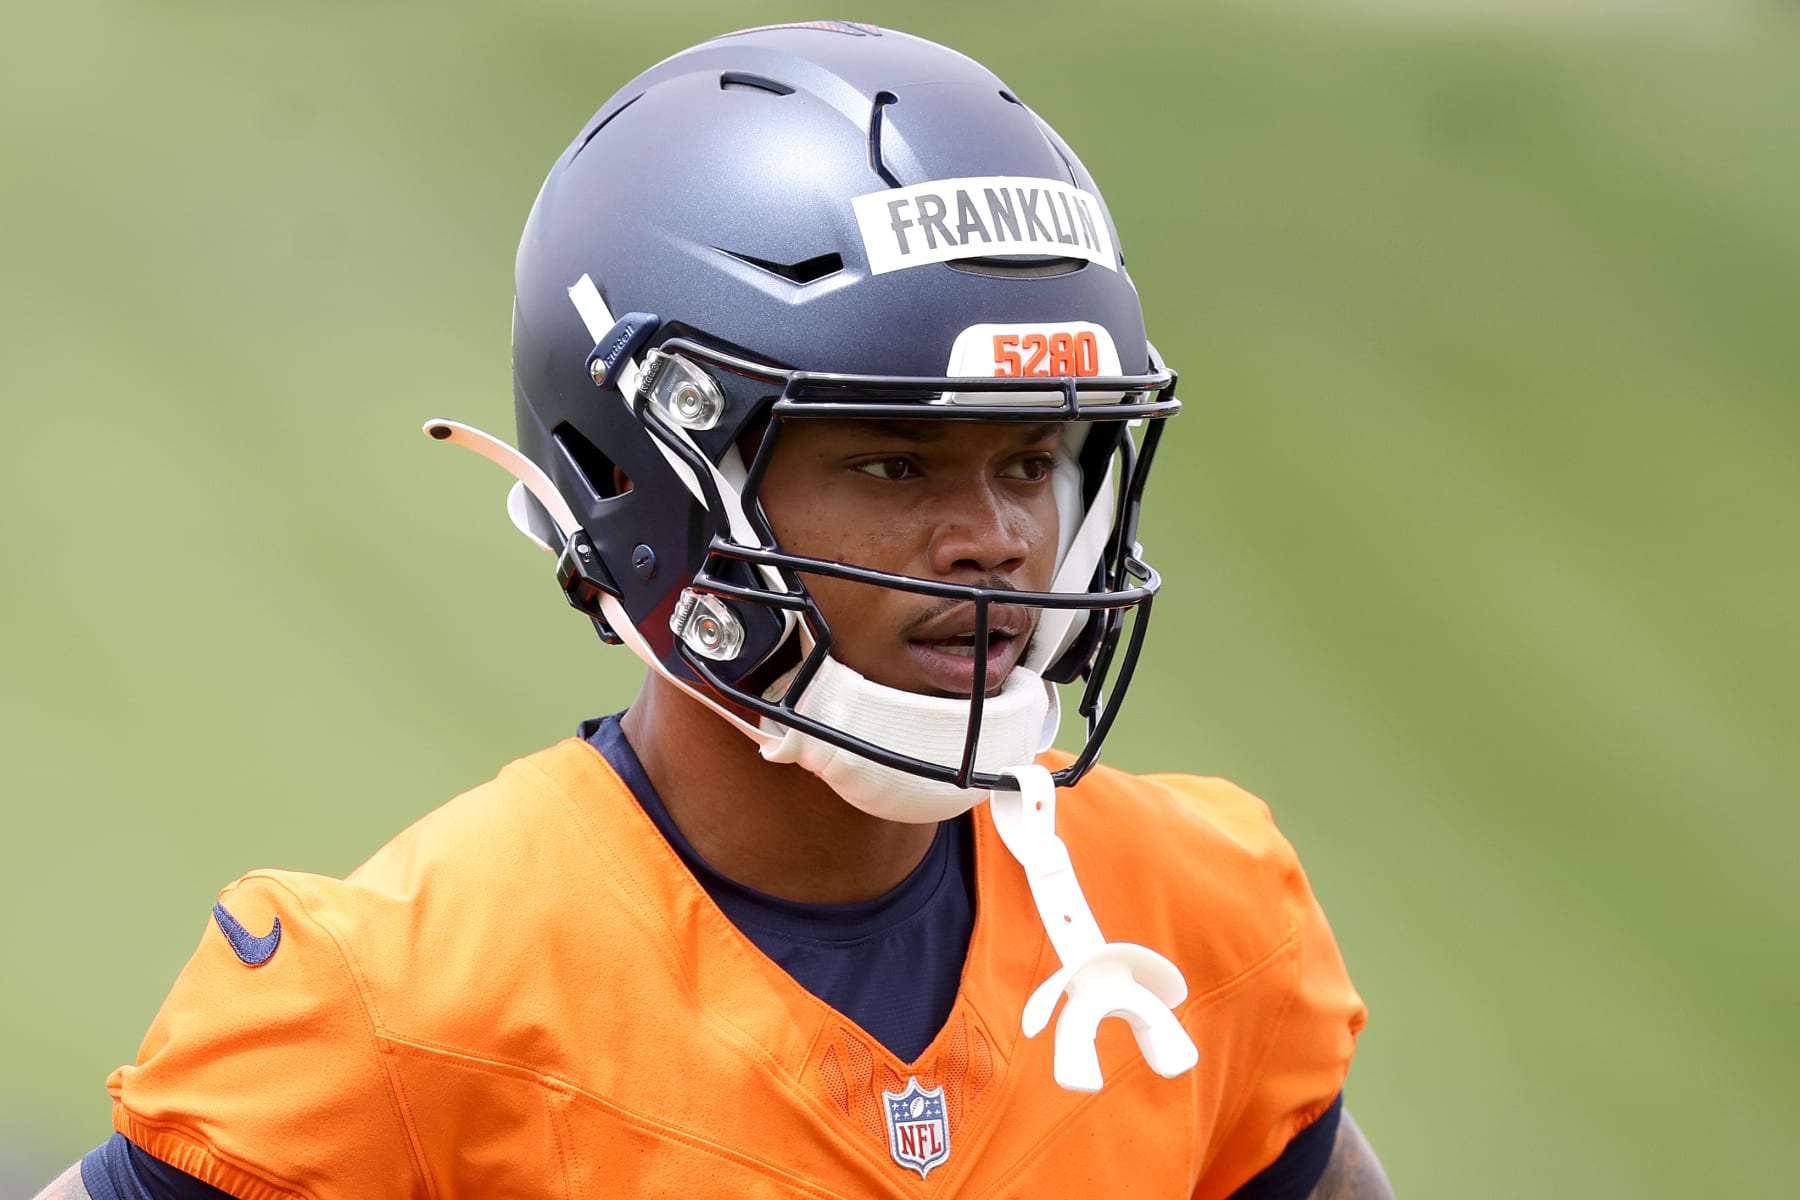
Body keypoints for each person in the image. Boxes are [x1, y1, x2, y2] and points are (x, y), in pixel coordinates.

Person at [40, 21, 1390, 1200]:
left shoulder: (1198, 916)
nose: (995, 540)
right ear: (650, 484)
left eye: (1032, 459)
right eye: (892, 462)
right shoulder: (404, 996)